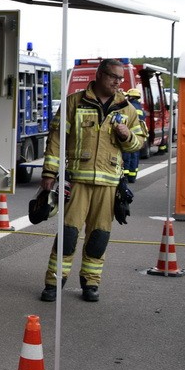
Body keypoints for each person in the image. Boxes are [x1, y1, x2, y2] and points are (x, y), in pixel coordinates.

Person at [39, 59, 146, 303]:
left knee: (99, 237)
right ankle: (54, 282)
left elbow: (139, 142)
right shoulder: (74, 103)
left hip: (108, 185)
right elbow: (56, 139)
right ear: (99, 75)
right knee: (67, 234)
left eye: (121, 79)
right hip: (78, 181)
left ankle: (90, 283)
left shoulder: (127, 109)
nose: (118, 82)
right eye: (113, 77)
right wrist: (48, 174)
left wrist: (128, 135)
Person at [122, 87, 145, 183]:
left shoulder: (129, 107)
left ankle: (126, 176)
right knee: (135, 156)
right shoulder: (140, 108)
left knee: (127, 155)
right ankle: (133, 176)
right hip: (139, 134)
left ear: (131, 97)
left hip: (130, 133)